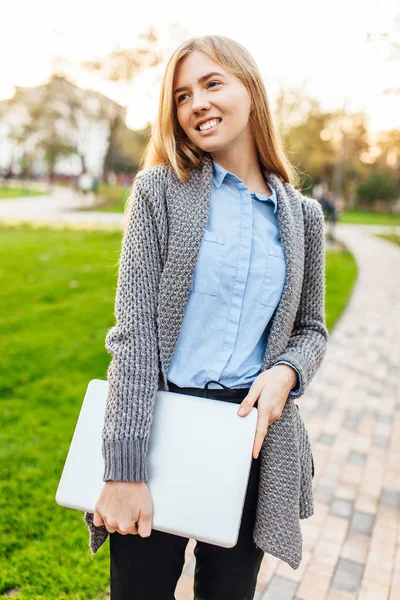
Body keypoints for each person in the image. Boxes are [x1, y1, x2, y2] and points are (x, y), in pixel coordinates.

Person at [84, 35, 328, 599]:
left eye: (212, 84)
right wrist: (124, 470)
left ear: (250, 90)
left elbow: (310, 329)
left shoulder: (303, 217)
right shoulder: (159, 193)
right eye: (182, 95)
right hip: (158, 427)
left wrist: (286, 373)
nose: (197, 103)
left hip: (249, 441)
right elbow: (136, 337)